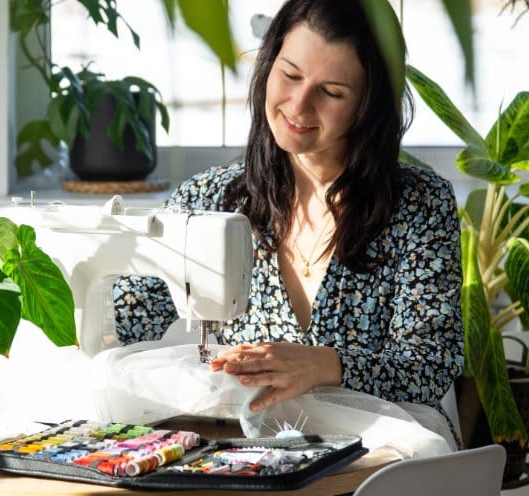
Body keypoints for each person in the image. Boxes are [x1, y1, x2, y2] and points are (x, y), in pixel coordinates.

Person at [112, 0, 464, 418]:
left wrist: (325, 364)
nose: (298, 106)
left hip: (377, 458)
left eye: (331, 92)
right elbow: (128, 323)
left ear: (370, 105)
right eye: (290, 75)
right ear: (268, 66)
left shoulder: (420, 206)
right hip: (246, 457)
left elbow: (430, 364)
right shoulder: (207, 200)